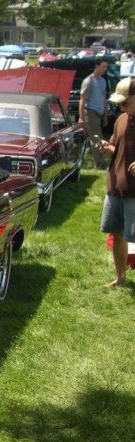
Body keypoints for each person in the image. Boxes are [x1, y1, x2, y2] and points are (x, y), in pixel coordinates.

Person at [95, 77, 135, 286]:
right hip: (115, 187)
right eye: (120, 102)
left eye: (126, 101)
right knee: (117, 234)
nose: (121, 105)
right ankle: (120, 278)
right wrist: (106, 149)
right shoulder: (120, 119)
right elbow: (114, 148)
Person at [79, 57, 109, 169]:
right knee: (97, 139)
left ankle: (82, 161)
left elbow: (104, 98)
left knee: (92, 139)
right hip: (91, 113)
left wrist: (105, 116)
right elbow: (82, 100)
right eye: (103, 67)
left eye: (106, 67)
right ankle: (100, 165)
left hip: (99, 114)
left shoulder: (103, 81)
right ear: (96, 66)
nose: (105, 69)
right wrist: (82, 118)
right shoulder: (89, 81)